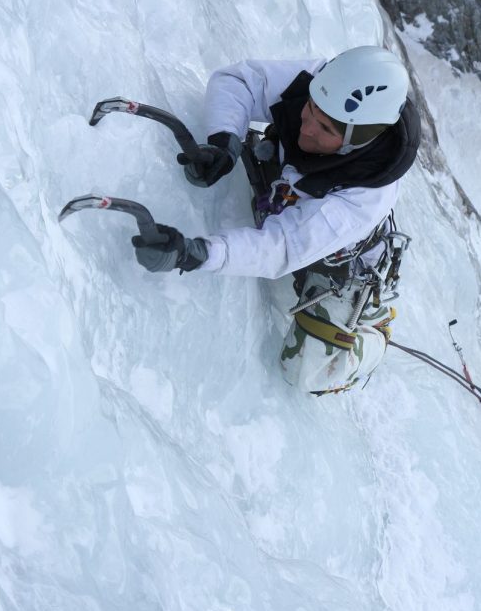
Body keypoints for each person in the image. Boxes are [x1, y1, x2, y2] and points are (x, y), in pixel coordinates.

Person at [128, 46, 421, 393]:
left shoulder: (363, 199)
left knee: (305, 371)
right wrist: (224, 141)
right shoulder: (323, 85)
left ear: (356, 142)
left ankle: (373, 335)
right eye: (310, 108)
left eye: (325, 128)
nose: (306, 127)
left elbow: (280, 247)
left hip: (338, 263)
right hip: (289, 188)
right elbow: (239, 81)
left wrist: (195, 253)